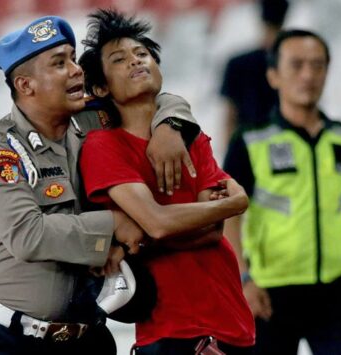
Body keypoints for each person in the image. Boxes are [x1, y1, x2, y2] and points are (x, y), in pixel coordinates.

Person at [0, 15, 200, 355]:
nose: (76, 69)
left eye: (72, 57)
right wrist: (114, 226)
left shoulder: (92, 120)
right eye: (59, 63)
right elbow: (29, 235)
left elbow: (154, 95)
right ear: (26, 85)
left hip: (85, 336)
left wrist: (170, 126)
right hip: (6, 338)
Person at [77, 9, 256, 354]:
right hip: (169, 324)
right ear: (101, 86)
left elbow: (213, 230)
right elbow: (159, 224)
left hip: (233, 317)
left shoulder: (192, 136)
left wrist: (147, 237)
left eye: (141, 53)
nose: (135, 61)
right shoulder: (103, 146)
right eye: (119, 59)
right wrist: (231, 204)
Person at [223, 29, 341, 355]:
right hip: (270, 293)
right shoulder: (249, 141)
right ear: (274, 76)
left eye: (317, 65)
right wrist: (244, 280)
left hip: (336, 294)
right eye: (296, 65)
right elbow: (229, 218)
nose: (308, 75)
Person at [220, 0, 289, 145]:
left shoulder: (237, 63)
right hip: (284, 147)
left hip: (246, 147)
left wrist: (229, 155)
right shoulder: (293, 65)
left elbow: (229, 117)